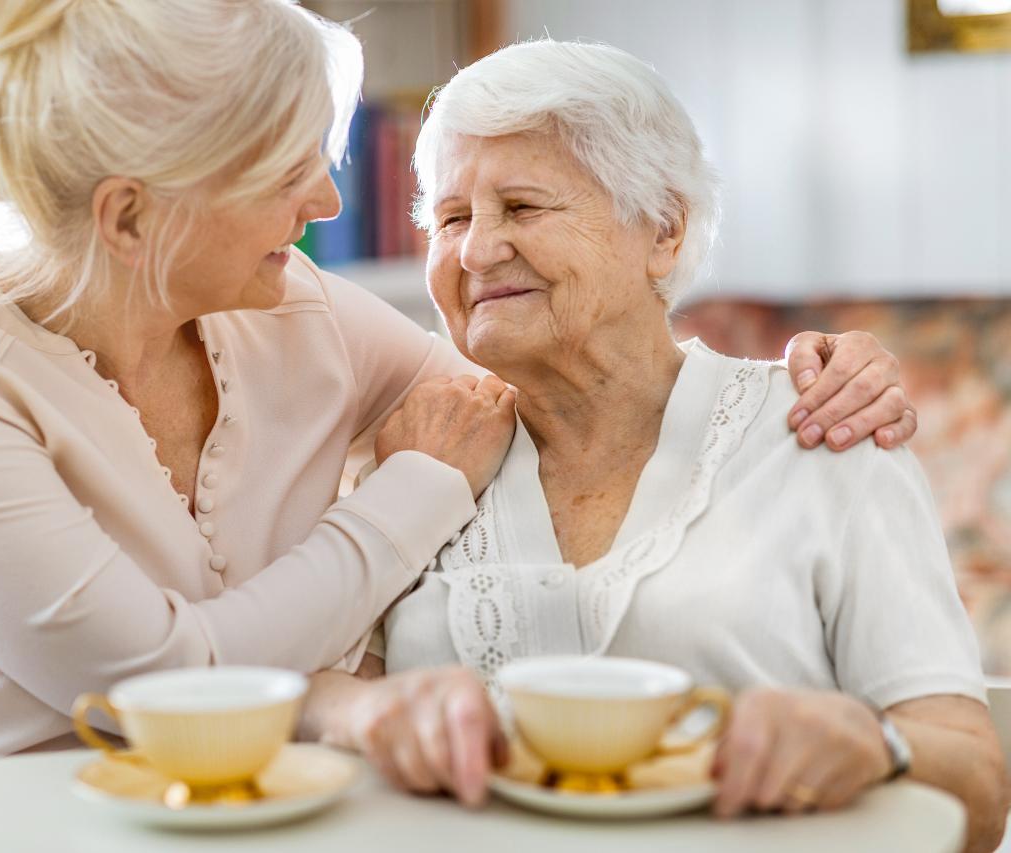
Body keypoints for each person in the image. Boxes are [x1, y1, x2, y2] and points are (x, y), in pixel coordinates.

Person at [0, 5, 916, 851]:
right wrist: (408, 492)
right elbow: (163, 686)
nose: (325, 205)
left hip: (197, 829)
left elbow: (550, 387)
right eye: (285, 174)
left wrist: (797, 380)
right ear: (133, 215)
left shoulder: (290, 312)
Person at [298, 39, 1007, 853]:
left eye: (523, 207)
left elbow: (978, 791)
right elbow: (313, 704)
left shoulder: (827, 428)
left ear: (664, 230)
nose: (476, 250)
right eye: (453, 217)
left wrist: (876, 748)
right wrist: (365, 714)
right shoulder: (420, 453)